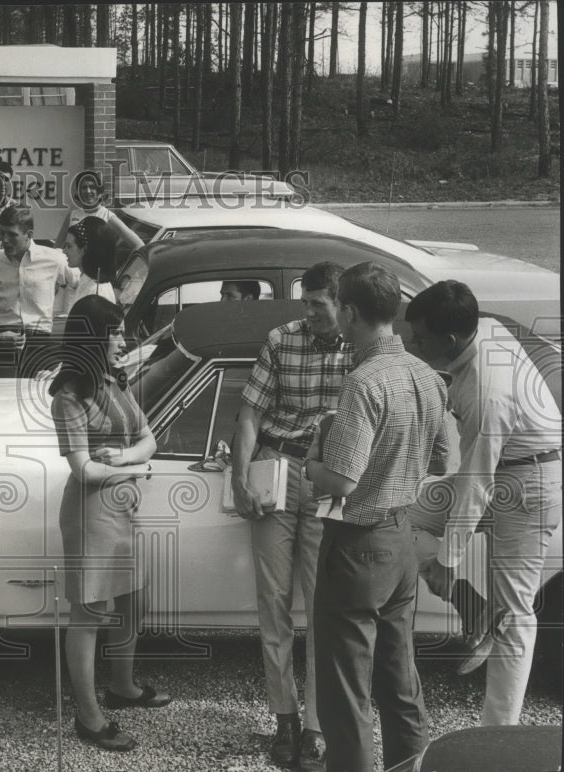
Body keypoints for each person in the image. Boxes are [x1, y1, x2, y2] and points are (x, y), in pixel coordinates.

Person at [303, 262, 449, 772]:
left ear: (349, 312)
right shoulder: (427, 375)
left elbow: (342, 481)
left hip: (357, 542)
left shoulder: (364, 381)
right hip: (401, 536)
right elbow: (442, 460)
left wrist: (311, 460)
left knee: (347, 689)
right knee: (400, 679)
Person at [406, 280, 562, 725]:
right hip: (506, 467)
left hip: (529, 485)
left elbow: (477, 482)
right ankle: (472, 605)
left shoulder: (486, 393)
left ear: (451, 338)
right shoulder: (485, 326)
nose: (414, 344)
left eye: (421, 338)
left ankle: (499, 734)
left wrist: (447, 561)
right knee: (398, 519)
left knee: (513, 615)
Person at [231, 261, 352, 772]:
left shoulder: (359, 348)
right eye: (306, 302)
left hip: (329, 479)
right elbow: (251, 414)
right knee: (273, 601)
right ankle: (285, 716)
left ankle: (317, 725)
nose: (308, 311)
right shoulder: (282, 339)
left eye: (318, 303)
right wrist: (240, 478)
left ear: (341, 303)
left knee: (324, 605)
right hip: (276, 467)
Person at [49, 294, 170, 753]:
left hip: (123, 508)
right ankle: (88, 715)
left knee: (133, 600)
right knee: (89, 614)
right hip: (92, 513)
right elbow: (83, 469)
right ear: (92, 339)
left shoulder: (114, 382)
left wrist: (123, 459)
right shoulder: (69, 397)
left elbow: (149, 438)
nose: (124, 340)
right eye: (115, 332)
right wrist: (135, 466)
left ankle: (123, 686)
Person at [0, 205, 72, 378]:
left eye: (12, 235)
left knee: (41, 394)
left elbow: (83, 282)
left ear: (29, 234)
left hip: (40, 346)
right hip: (0, 346)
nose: (5, 240)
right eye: (2, 233)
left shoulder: (54, 259)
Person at [55, 170, 145, 254]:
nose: (88, 191)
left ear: (99, 191)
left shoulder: (107, 216)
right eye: (84, 187)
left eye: (92, 187)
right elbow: (57, 248)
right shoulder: (72, 215)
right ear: (79, 192)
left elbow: (139, 245)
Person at [57, 216, 117, 316]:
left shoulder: (97, 293)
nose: (64, 251)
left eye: (69, 246)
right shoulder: (86, 281)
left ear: (84, 250)